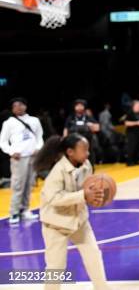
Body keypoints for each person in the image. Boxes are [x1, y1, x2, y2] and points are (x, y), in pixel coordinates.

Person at [37, 134, 110, 290]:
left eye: (88, 150)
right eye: (84, 150)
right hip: (56, 224)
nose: (88, 153)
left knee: (94, 256)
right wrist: (84, 195)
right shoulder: (57, 171)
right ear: (70, 152)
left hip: (79, 221)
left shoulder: (86, 165)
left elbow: (88, 190)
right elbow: (55, 199)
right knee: (56, 267)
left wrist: (95, 197)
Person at [0, 97, 44, 225]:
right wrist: (11, 152)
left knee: (29, 184)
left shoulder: (34, 120)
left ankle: (25, 209)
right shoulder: (8, 123)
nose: (18, 107)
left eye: (20, 105)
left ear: (25, 106)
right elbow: (2, 142)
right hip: (19, 158)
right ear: (12, 109)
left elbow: (39, 137)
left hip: (33, 156)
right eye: (15, 106)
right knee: (18, 185)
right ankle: (14, 212)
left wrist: (38, 148)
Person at [63, 100, 100, 166]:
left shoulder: (88, 117)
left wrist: (91, 125)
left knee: (89, 156)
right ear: (74, 107)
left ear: (84, 107)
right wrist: (65, 139)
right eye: (77, 105)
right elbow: (66, 129)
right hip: (74, 142)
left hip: (87, 143)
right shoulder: (70, 118)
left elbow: (97, 128)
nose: (79, 107)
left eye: (81, 105)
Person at [124, 100, 139, 166]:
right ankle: (129, 161)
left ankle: (137, 160)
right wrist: (137, 123)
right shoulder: (130, 113)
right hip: (131, 133)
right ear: (134, 106)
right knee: (132, 147)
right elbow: (126, 123)